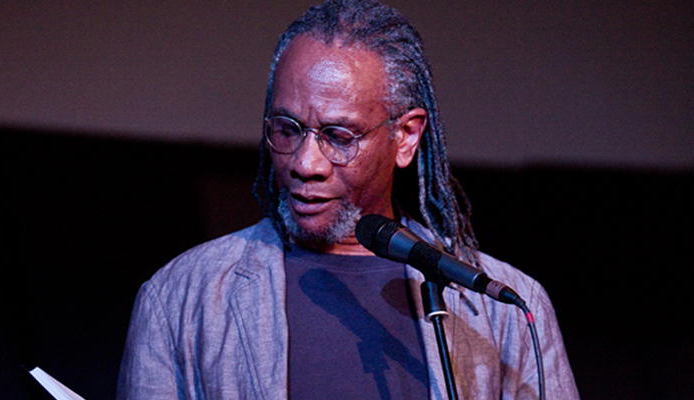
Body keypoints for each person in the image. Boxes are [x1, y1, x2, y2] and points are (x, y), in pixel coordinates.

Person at [117, 1, 580, 399]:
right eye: (286, 129)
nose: (305, 162)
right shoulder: (181, 296)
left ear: (405, 137)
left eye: (339, 136)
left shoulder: (502, 309)